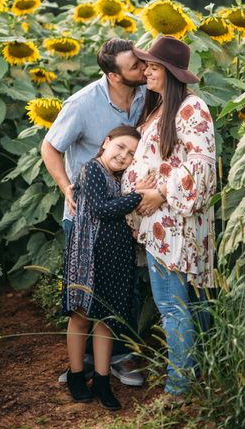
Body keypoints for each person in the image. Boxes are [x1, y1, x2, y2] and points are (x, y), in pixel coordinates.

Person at [41, 38, 147, 386]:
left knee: (120, 287)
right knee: (85, 292)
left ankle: (114, 358)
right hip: (87, 216)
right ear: (114, 76)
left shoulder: (146, 94)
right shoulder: (83, 104)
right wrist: (65, 187)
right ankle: (82, 363)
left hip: (127, 216)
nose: (143, 69)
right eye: (135, 66)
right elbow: (50, 147)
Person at [121, 36, 216, 396]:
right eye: (146, 65)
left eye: (153, 66)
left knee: (173, 306)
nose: (146, 70)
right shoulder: (161, 108)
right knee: (186, 302)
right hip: (160, 224)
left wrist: (159, 191)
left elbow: (202, 170)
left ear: (172, 74)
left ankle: (179, 386)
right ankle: (201, 374)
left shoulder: (191, 109)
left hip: (174, 224)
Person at [61, 126, 155, 409]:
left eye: (131, 154)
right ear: (106, 143)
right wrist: (139, 195)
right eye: (120, 147)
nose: (124, 155)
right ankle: (77, 376)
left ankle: (102, 381)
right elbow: (102, 209)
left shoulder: (119, 178)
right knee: (81, 316)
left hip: (114, 258)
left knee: (107, 320)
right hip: (88, 257)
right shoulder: (91, 170)